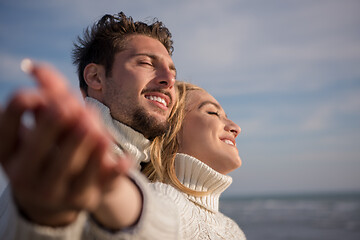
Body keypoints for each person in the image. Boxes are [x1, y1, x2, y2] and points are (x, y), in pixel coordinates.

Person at [0, 12, 181, 239]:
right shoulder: (54, 161)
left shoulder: (154, 174)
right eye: (146, 62)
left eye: (173, 72)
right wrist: (45, 223)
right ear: (96, 78)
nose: (170, 80)